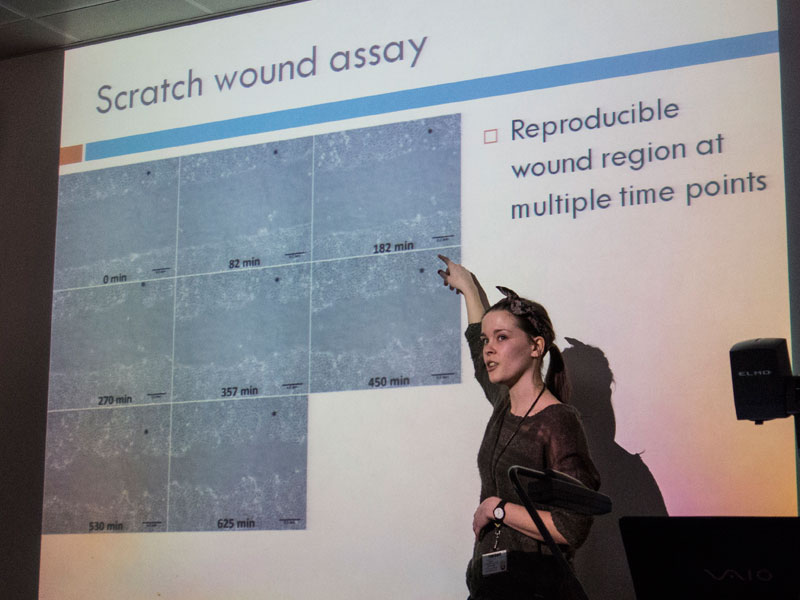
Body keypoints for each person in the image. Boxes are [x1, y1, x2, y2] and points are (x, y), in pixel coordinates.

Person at [437, 255, 600, 600]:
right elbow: (476, 346)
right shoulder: (503, 403)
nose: (489, 349)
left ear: (536, 346)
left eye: (502, 338)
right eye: (487, 340)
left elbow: (572, 527)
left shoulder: (558, 421)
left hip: (535, 589)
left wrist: (497, 509)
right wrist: (468, 288)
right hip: (491, 586)